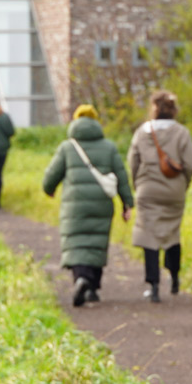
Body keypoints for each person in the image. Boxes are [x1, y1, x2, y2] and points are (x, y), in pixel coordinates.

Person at [42, 104, 133, 307]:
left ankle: (80, 279)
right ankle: (92, 287)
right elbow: (121, 176)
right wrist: (127, 203)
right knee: (96, 242)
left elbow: (50, 177)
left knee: (76, 243)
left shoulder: (67, 147)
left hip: (74, 205)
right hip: (101, 203)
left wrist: (49, 189)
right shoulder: (109, 147)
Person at [127, 89, 192, 302]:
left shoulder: (142, 132)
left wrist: (137, 184)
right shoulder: (182, 133)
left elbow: (133, 162)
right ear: (174, 110)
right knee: (171, 233)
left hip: (147, 191)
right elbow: (191, 164)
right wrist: (182, 185)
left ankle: (154, 285)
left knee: (149, 235)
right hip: (173, 191)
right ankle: (175, 277)